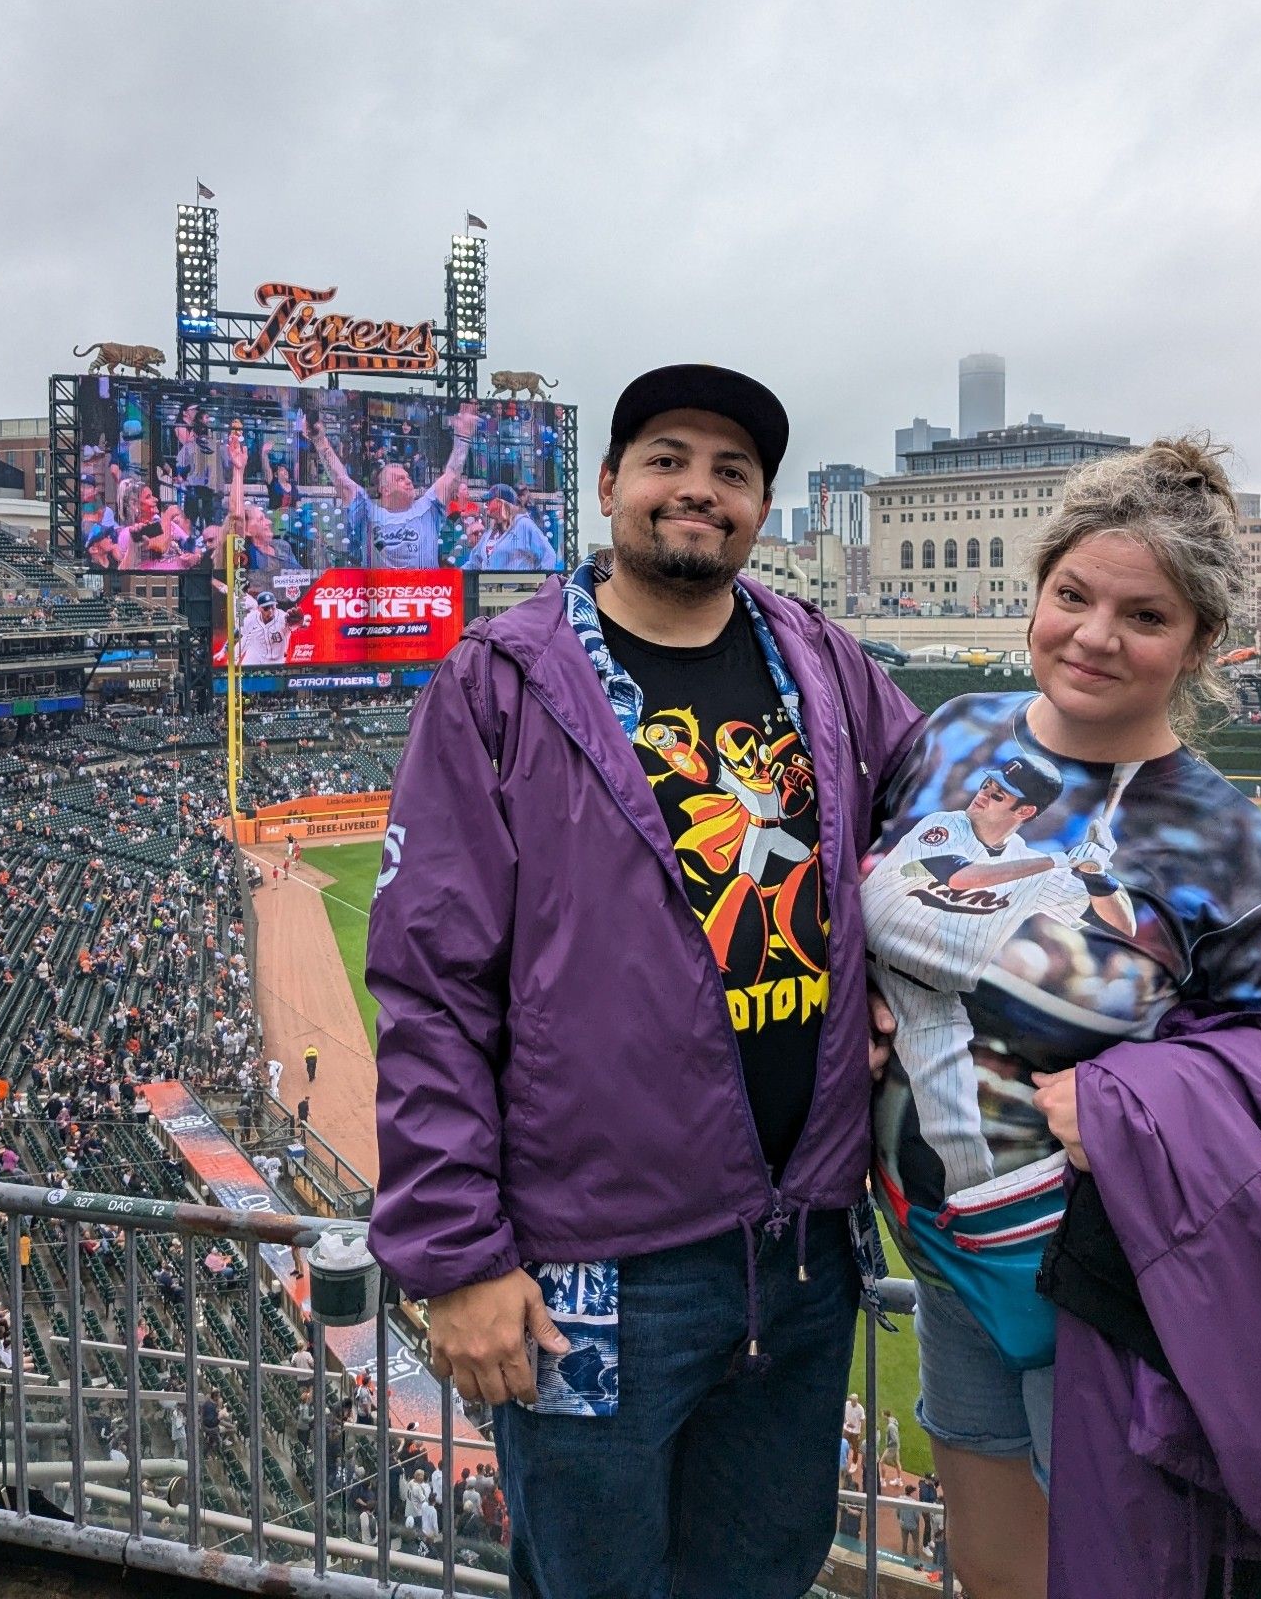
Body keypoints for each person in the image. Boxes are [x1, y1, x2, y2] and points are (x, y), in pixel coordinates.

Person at [366, 363, 921, 1599]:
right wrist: (455, 1255)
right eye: (668, 458)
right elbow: (431, 981)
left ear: (762, 509)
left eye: (733, 472)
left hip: (803, 1253)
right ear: (610, 484)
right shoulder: (501, 679)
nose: (699, 490)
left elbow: (938, 819)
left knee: (761, 1577)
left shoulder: (823, 663)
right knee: (594, 1584)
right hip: (595, 1267)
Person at [863, 437, 1261, 1599]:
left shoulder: (1230, 841)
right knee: (995, 1572)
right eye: (1072, 595)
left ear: (1200, 643)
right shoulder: (951, 734)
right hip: (936, 1248)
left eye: (1145, 614)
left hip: (1100, 1281)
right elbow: (869, 889)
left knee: (1113, 1571)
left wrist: (1135, 1096)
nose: (1092, 635)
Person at [299, 401, 479, 570]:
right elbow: (340, 478)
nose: (408, 481)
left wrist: (463, 438)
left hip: (424, 597)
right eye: (399, 479)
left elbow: (453, 474)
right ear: (384, 489)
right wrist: (320, 442)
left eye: (407, 477)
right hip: (381, 600)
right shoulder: (368, 512)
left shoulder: (428, 507)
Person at [464, 484, 558, 572]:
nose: (486, 504)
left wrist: (541, 583)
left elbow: (548, 555)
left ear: (502, 503)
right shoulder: (490, 532)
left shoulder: (524, 525)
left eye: (490, 500)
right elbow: (474, 563)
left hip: (518, 588)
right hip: (489, 588)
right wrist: (453, 575)